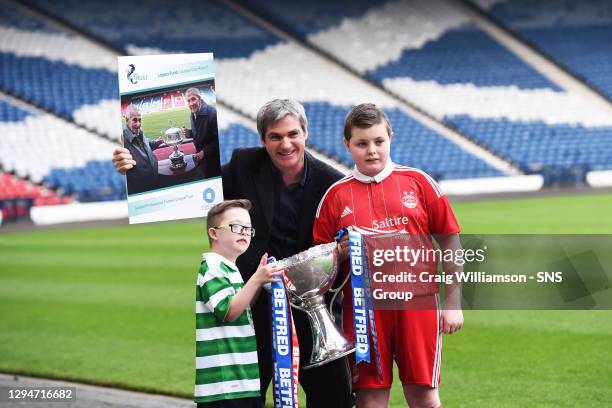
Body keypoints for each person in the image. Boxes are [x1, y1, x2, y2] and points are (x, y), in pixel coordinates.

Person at [112, 99, 354, 407]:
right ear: (263, 139)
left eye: (293, 134)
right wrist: (135, 166)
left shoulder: (331, 182)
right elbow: (187, 184)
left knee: (336, 399)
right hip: (253, 305)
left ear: (305, 134)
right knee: (243, 401)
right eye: (275, 137)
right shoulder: (243, 166)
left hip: (312, 308)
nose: (286, 144)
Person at [312, 103, 464, 408]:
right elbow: (319, 264)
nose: (372, 151)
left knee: (425, 397)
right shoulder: (335, 196)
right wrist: (336, 254)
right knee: (369, 401)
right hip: (363, 312)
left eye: (379, 141)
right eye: (362, 143)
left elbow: (450, 241)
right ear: (347, 145)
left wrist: (453, 302)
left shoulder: (419, 183)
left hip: (418, 305)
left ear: (390, 138)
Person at [195, 199, 283, 407]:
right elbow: (228, 312)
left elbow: (244, 305)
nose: (244, 232)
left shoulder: (230, 268)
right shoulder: (211, 267)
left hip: (241, 379)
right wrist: (256, 279)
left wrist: (259, 282)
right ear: (214, 233)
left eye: (248, 228)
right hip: (223, 383)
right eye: (236, 227)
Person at [121, 104, 162, 194]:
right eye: (134, 120)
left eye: (140, 120)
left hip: (154, 180)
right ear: (127, 120)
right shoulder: (122, 140)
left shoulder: (140, 131)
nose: (138, 124)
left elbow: (146, 145)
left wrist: (156, 143)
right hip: (142, 189)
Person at [183, 87, 221, 178]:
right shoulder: (192, 113)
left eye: (193, 99)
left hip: (214, 160)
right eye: (188, 101)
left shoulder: (212, 113)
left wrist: (204, 152)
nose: (191, 103)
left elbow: (219, 139)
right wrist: (189, 133)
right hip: (201, 159)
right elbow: (200, 133)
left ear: (199, 98)